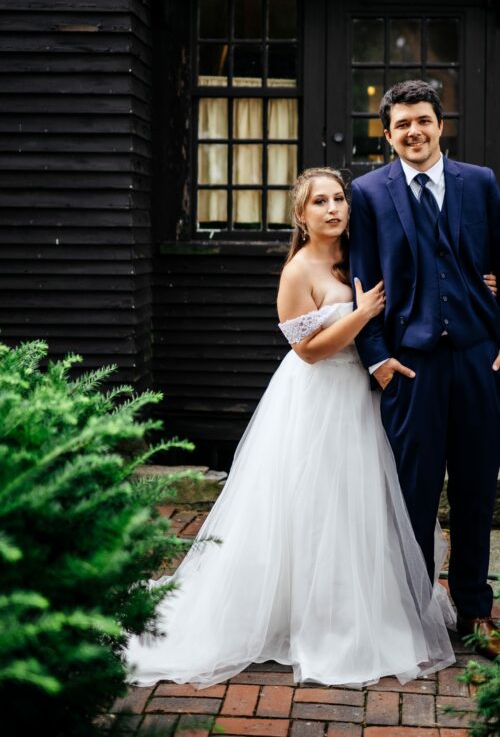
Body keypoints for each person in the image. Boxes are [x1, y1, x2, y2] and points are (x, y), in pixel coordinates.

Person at [125, 167, 457, 690]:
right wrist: (362, 312)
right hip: (318, 396)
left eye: (339, 199)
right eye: (320, 202)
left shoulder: (359, 255)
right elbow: (306, 351)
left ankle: (356, 607)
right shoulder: (298, 271)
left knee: (358, 505)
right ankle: (308, 616)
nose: (333, 209)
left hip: (361, 399)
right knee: (312, 504)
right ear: (301, 216)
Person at [349, 80, 500, 659]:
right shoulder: (368, 192)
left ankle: (475, 610)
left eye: (422, 120)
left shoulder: (479, 183)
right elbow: (363, 282)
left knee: (476, 496)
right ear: (388, 133)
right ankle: (410, 617)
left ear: (439, 125)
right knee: (413, 499)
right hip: (411, 368)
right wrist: (376, 358)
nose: (413, 132)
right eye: (401, 125)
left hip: (480, 360)